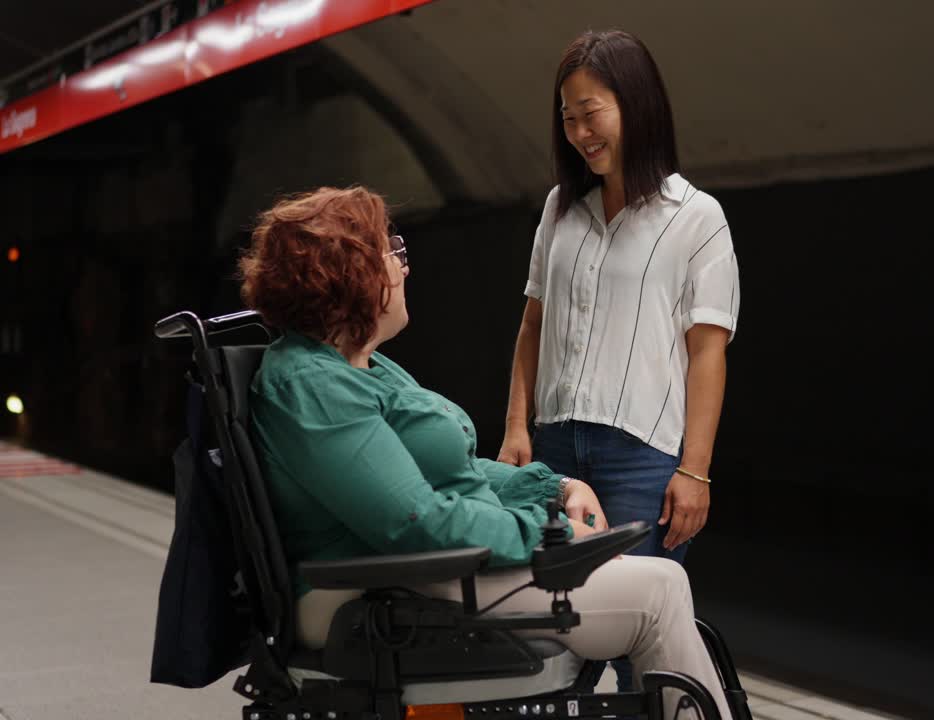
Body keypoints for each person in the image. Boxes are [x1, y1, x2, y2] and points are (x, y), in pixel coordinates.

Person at [238, 186, 731, 720]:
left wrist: (555, 489)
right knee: (659, 593)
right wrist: (554, 541)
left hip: (423, 573)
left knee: (659, 586)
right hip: (369, 589)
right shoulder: (313, 385)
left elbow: (452, 471)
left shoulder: (360, 365)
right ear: (352, 275)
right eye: (393, 253)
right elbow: (413, 521)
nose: (405, 268)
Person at [497, 29, 740, 690]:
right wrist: (517, 428)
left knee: (643, 649)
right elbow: (532, 325)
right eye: (567, 117)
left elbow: (706, 355)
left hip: (643, 462)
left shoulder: (697, 220)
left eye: (590, 112)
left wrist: (696, 469)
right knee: (549, 643)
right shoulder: (560, 210)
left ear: (635, 105)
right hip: (554, 453)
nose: (579, 131)